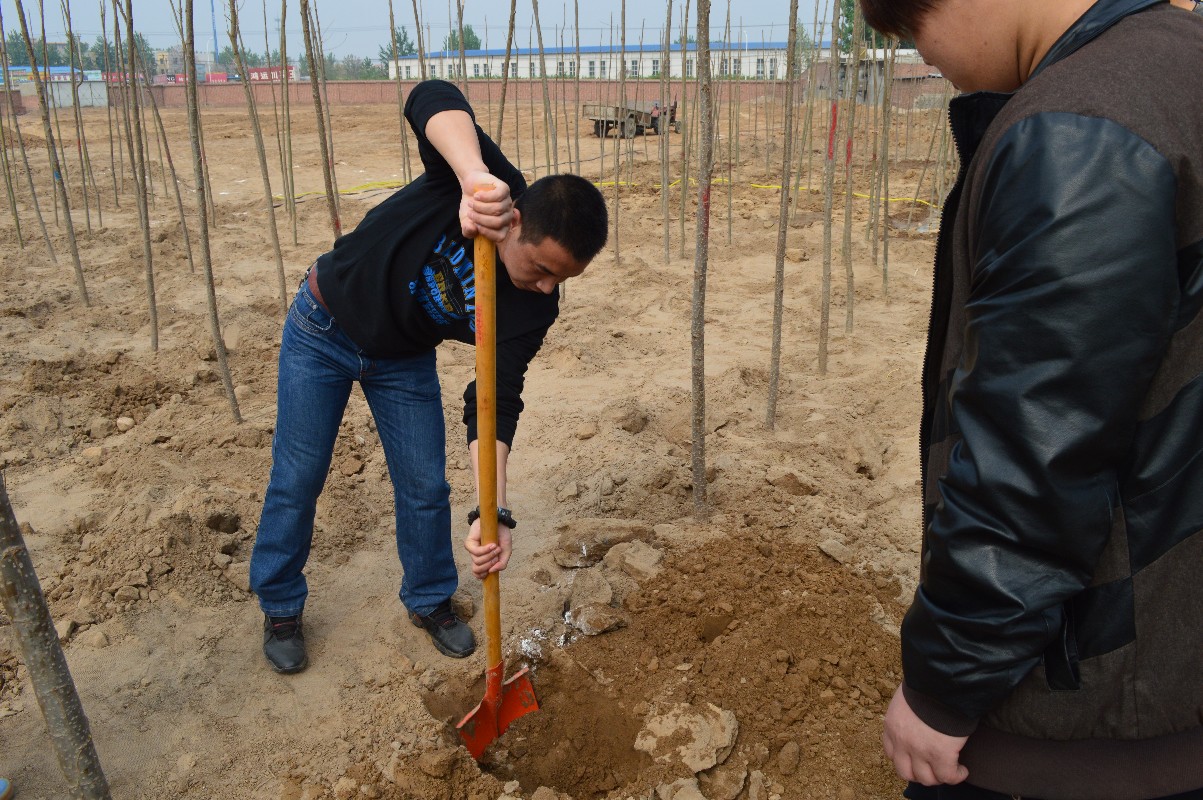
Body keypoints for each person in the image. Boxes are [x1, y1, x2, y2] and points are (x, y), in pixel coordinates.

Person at [855, 0, 1203, 798]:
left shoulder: (1078, 131)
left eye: (914, 33)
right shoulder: (1178, 66)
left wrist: (944, 687)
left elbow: (1036, 453)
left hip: (1092, 713)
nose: (925, 59)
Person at [249, 79, 608, 674]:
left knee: (425, 486)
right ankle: (281, 604)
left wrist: (492, 513)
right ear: (514, 221)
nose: (546, 287)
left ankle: (430, 599)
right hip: (324, 326)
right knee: (299, 476)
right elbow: (429, 97)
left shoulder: (536, 307)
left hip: (400, 356)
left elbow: (496, 401)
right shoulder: (487, 187)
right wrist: (471, 177)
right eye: (542, 268)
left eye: (561, 279)